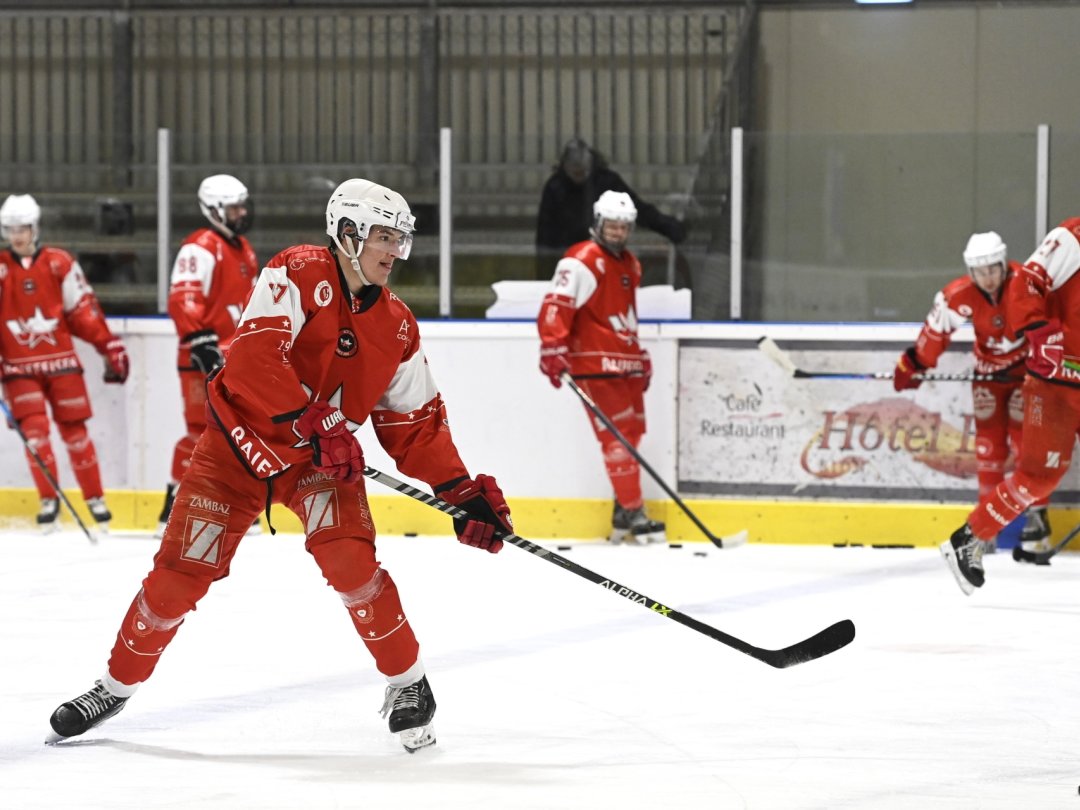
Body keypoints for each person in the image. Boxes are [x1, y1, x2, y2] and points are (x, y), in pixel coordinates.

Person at [48, 179, 514, 752]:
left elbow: (413, 424)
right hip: (234, 451)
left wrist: (460, 490)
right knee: (176, 580)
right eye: (383, 238)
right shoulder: (296, 271)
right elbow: (250, 360)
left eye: (401, 239)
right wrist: (312, 420)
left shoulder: (397, 325)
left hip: (320, 462)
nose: (395, 251)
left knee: (351, 562)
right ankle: (113, 686)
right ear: (347, 234)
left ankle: (409, 684)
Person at [941, 217, 1080, 594]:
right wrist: (1037, 329)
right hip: (1053, 383)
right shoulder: (1072, 237)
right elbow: (1027, 282)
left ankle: (1035, 532)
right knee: (1038, 476)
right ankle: (970, 537)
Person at [892, 231, 1050, 554]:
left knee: (1027, 445)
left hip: (1027, 377)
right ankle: (983, 531)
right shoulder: (959, 295)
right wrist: (915, 362)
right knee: (989, 450)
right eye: (979, 271)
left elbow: (1053, 325)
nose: (987, 278)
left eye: (992, 269)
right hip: (988, 378)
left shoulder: (1026, 283)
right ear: (970, 271)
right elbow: (936, 331)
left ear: (1003, 264)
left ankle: (1037, 521)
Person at [536, 189, 664, 545]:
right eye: (611, 225)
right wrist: (552, 347)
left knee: (632, 436)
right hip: (594, 365)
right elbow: (555, 306)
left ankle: (623, 510)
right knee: (617, 441)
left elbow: (625, 318)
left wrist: (638, 356)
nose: (617, 232)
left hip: (624, 365)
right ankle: (635, 512)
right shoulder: (580, 260)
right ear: (598, 223)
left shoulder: (630, 264)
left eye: (623, 227)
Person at [0, 193, 129, 532]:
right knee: (35, 434)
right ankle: (48, 500)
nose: (17, 236)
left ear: (35, 226)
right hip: (17, 368)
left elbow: (82, 311)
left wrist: (107, 344)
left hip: (62, 363)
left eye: (23, 228)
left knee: (76, 433)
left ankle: (94, 498)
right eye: (10, 229)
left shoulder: (59, 262)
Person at [156, 174, 259, 537]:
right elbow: (183, 298)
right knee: (200, 431)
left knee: (238, 432)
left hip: (235, 358)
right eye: (234, 207)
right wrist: (201, 342)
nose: (241, 213)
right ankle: (173, 504)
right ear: (214, 209)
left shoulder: (242, 247)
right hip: (202, 356)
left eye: (242, 205)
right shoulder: (198, 247)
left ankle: (234, 504)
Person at [535, 137, 686, 276]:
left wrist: (668, 226)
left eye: (582, 173)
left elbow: (637, 209)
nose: (579, 177)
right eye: (575, 173)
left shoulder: (606, 181)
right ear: (565, 167)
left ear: (590, 166)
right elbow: (545, 232)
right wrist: (545, 271)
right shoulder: (555, 187)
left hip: (602, 254)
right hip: (568, 256)